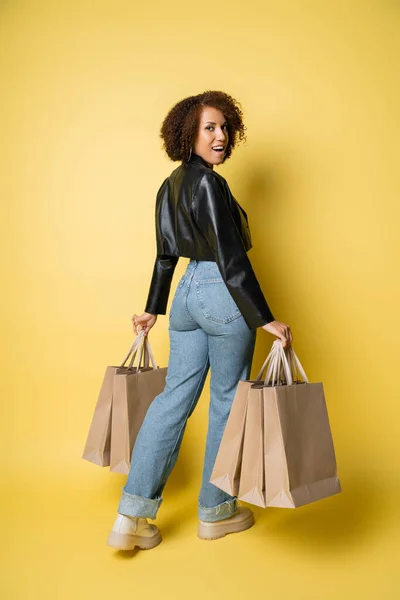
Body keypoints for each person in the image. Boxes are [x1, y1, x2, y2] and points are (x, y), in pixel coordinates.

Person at [107, 90, 293, 551]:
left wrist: (154, 308)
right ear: (187, 134)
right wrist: (264, 318)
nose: (220, 136)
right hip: (222, 292)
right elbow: (230, 258)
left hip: (188, 295)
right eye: (209, 128)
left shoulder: (168, 186)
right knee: (227, 402)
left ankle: (130, 517)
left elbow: (166, 257)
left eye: (224, 127)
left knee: (172, 400)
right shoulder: (210, 185)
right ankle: (216, 514)